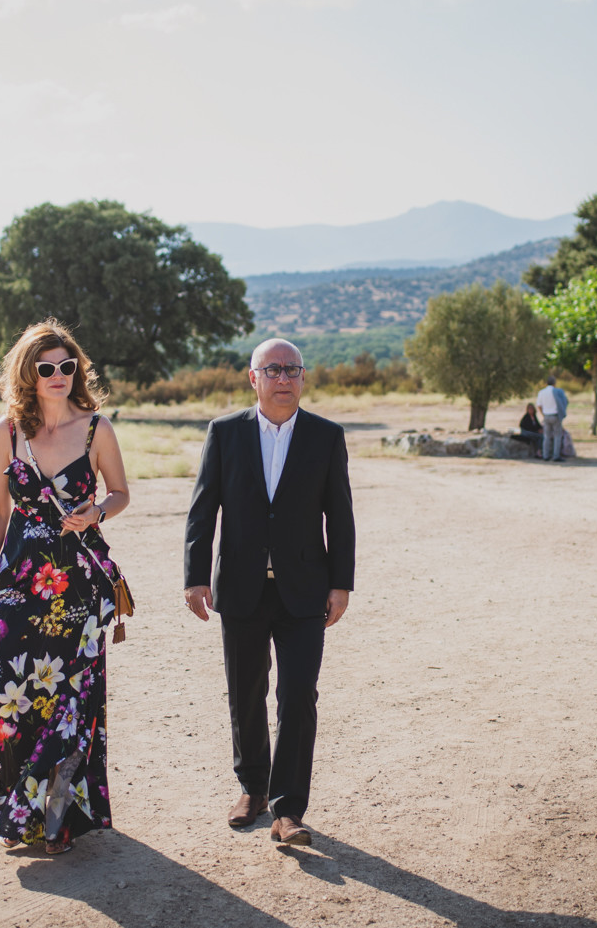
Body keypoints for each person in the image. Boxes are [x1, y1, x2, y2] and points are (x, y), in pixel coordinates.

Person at [184, 338, 355, 848]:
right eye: (273, 369)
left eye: (292, 370)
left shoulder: (326, 436)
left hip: (305, 591)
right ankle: (252, 788)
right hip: (240, 587)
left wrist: (341, 583)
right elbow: (202, 510)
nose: (284, 378)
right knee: (245, 693)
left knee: (298, 695)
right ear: (252, 378)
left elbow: (340, 516)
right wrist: (195, 576)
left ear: (303, 378)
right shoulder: (224, 433)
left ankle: (288, 809)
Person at [0, 318, 131, 854]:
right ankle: (21, 813)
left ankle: (59, 820)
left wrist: (97, 513)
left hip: (79, 589)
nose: (59, 375)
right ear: (29, 372)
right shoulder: (8, 431)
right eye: (48, 368)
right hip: (18, 584)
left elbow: (120, 493)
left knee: (72, 702)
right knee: (15, 699)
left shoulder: (97, 429)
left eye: (68, 366)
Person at [535, 376, 569, 462]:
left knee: (546, 436)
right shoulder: (557, 392)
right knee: (557, 436)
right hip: (555, 415)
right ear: (555, 383)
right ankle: (556, 456)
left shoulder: (541, 392)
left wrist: (543, 414)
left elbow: (539, 405)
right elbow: (564, 402)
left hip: (546, 416)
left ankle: (545, 455)